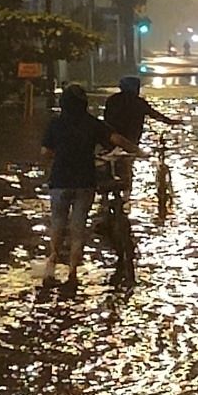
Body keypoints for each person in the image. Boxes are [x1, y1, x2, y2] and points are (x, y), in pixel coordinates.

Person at [39, 83, 114, 298]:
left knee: (58, 222)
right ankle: (73, 270)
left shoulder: (55, 124)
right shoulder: (92, 124)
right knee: (78, 226)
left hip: (60, 180)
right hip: (85, 182)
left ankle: (53, 257)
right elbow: (115, 139)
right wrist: (138, 151)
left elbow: (45, 152)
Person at [102, 73, 178, 152]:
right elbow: (154, 115)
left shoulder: (112, 100)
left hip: (111, 137)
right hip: (132, 138)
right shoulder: (139, 102)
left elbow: (106, 117)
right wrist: (171, 121)